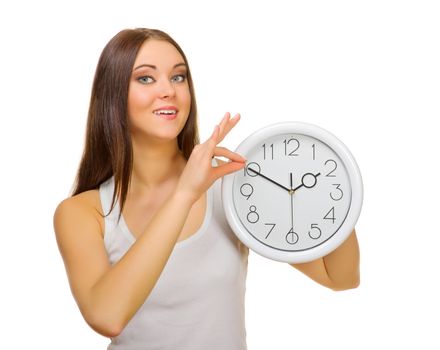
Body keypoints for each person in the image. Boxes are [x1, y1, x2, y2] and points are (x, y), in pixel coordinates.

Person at [53, 28, 360, 350]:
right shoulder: (83, 212)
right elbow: (107, 316)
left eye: (178, 77)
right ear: (113, 94)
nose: (168, 91)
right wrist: (184, 194)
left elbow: (340, 277)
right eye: (145, 78)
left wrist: (330, 182)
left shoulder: (231, 191)